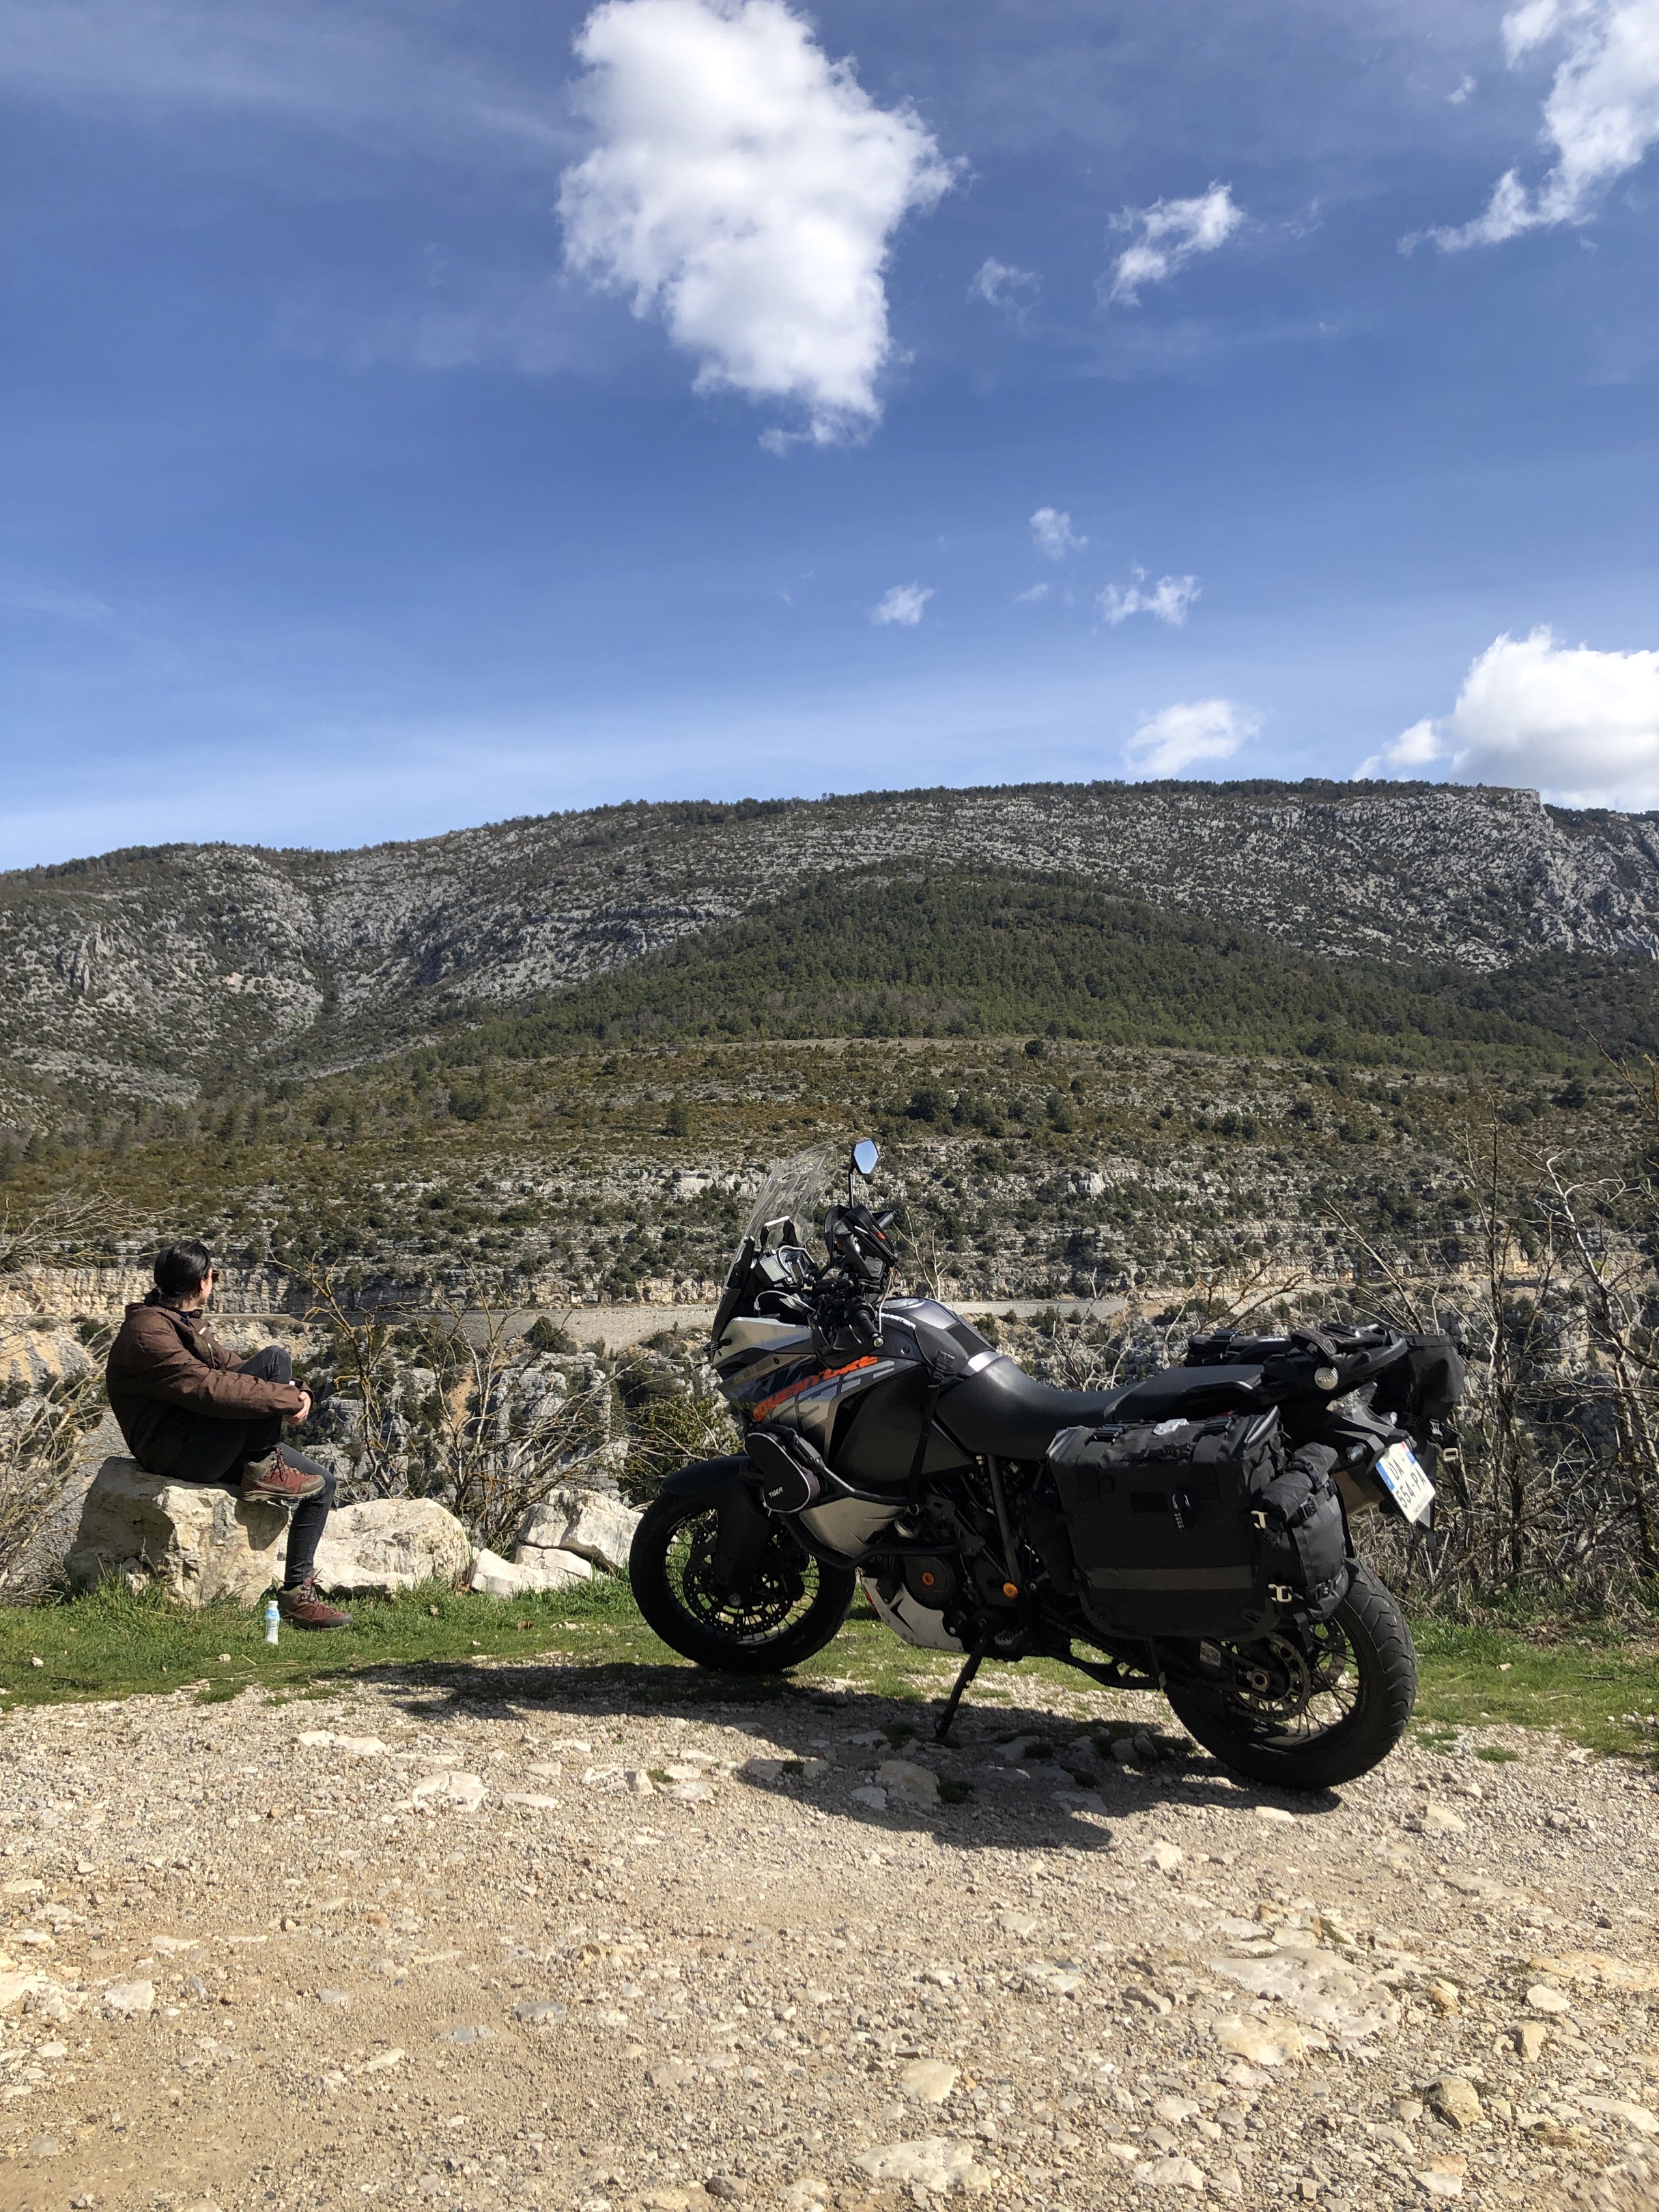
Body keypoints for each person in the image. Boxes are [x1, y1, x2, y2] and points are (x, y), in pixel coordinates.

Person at [105, 1238, 351, 1630]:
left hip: (204, 1438)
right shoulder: (148, 1331)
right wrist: (286, 1399)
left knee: (323, 1484)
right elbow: (209, 1388)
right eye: (213, 1275)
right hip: (177, 1452)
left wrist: (298, 1390)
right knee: (274, 1360)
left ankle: (297, 1595)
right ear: (203, 1281)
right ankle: (263, 1467)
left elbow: (234, 1368)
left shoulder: (180, 1322)